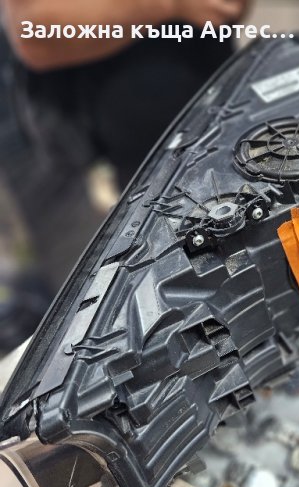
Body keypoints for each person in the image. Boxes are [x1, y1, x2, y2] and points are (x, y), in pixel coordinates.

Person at [0, 0, 250, 291]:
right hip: (106, 166)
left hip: (219, 118)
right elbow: (32, 32)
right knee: (107, 294)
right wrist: (171, 5)